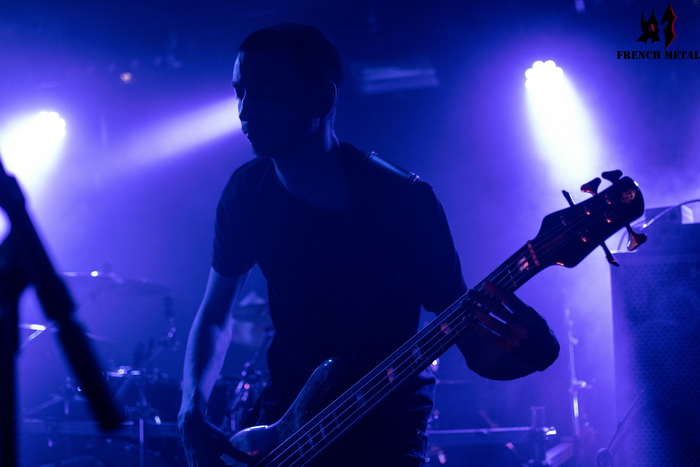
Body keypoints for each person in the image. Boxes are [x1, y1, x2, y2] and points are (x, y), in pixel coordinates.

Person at [178, 23, 560, 467]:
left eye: (267, 93)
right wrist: (191, 409)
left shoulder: (403, 201)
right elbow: (214, 314)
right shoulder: (246, 192)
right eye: (240, 93)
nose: (245, 111)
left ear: (322, 99)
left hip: (385, 426)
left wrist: (535, 351)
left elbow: (471, 346)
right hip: (285, 423)